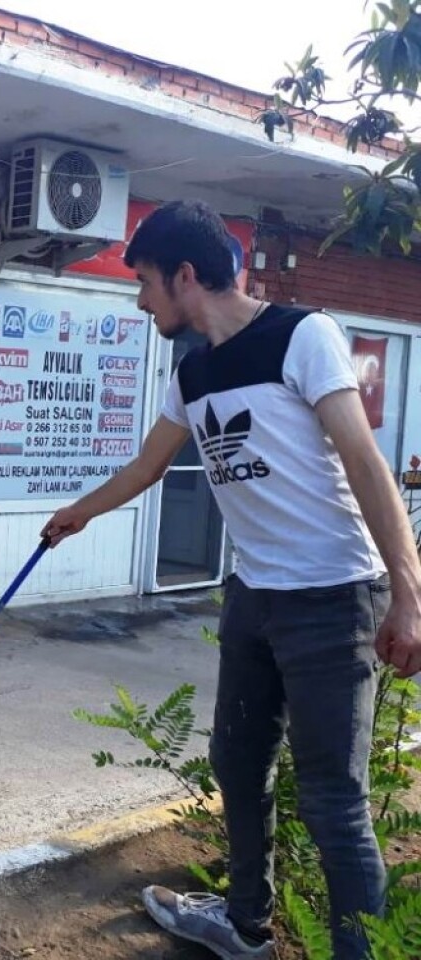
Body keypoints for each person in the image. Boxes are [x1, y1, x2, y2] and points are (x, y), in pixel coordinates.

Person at [42, 200, 421, 960]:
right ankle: (247, 925)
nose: (141, 299)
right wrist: (75, 514)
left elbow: (364, 461)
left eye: (146, 283)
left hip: (333, 597)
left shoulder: (300, 336)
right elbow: (149, 467)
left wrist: (409, 593)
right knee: (238, 768)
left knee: (334, 803)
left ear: (186, 276)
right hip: (256, 598)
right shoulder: (195, 370)